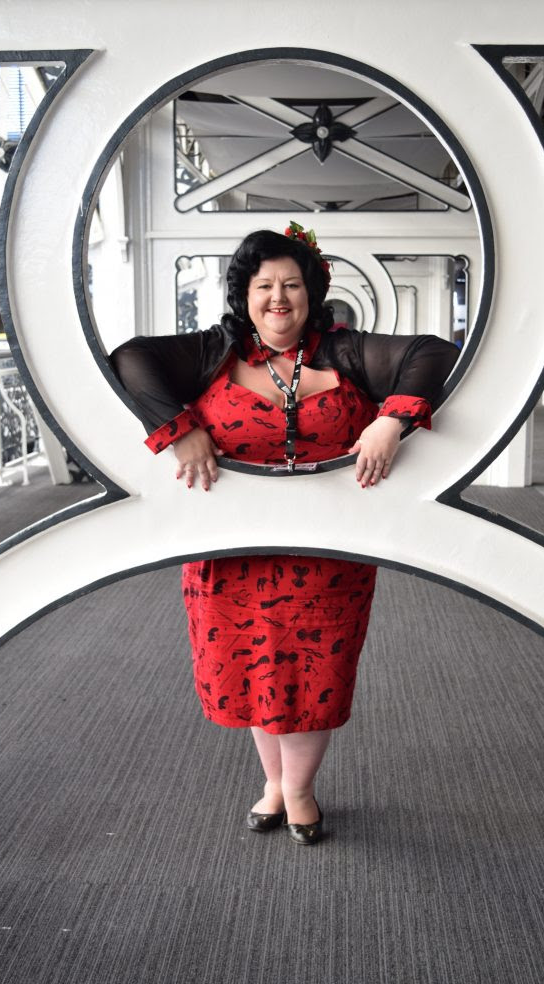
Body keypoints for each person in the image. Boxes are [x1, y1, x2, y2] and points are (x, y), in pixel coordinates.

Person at [110, 224, 458, 846]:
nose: (278, 298)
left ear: (312, 293)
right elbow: (130, 358)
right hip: (232, 556)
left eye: (292, 285)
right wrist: (180, 427)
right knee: (255, 673)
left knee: (311, 678)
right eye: (264, 285)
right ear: (244, 295)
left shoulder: (345, 351)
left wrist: (390, 421)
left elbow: (432, 353)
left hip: (328, 558)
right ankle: (274, 785)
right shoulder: (214, 352)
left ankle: (299, 790)